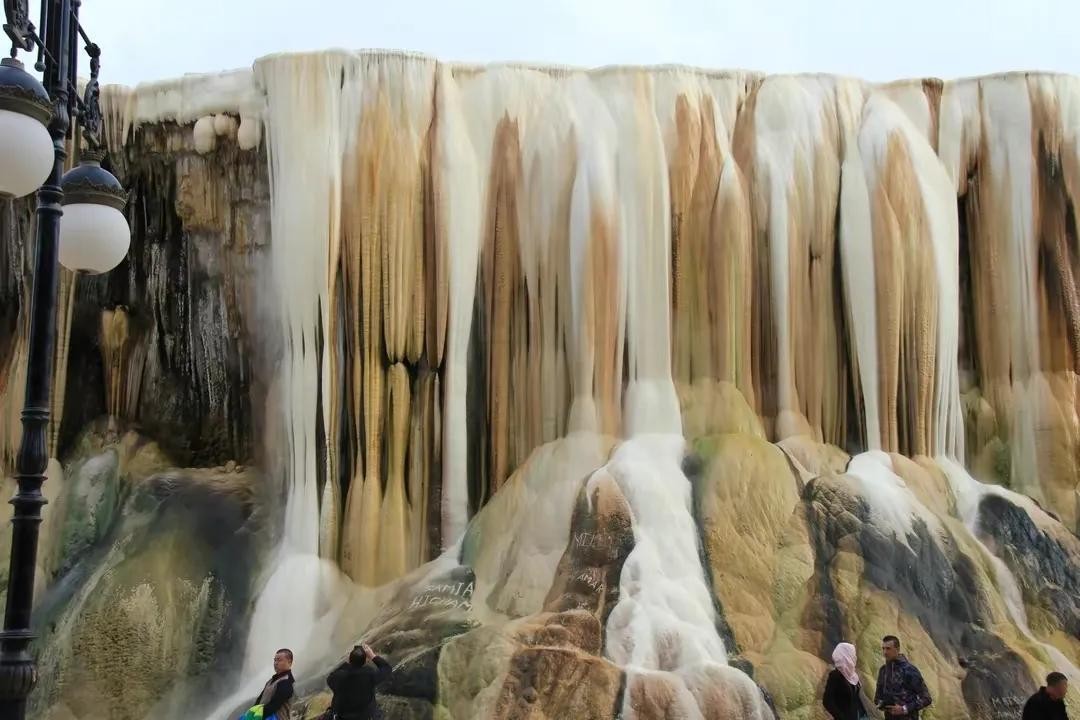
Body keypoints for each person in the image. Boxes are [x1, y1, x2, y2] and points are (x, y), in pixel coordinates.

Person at [323, 642, 393, 720]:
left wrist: (345, 664)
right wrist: (372, 656)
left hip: (342, 717)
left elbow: (330, 678)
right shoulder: (370, 675)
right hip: (365, 717)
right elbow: (387, 668)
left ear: (349, 659)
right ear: (365, 661)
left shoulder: (339, 676)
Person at [874, 635, 932, 718]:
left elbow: (926, 698)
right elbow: (877, 698)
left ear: (897, 649)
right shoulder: (883, 670)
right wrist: (882, 704)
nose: (885, 652)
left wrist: (904, 709)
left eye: (888, 649)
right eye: (883, 648)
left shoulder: (910, 670)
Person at [243, 648, 295, 720]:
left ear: (289, 662)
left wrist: (256, 716)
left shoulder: (286, 682)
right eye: (275, 660)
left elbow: (274, 705)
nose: (276, 663)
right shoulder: (271, 681)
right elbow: (259, 699)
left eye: (279, 660)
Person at [823, 642, 869, 719]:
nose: (855, 657)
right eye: (852, 654)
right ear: (845, 656)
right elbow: (827, 701)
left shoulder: (853, 676)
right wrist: (840, 717)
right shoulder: (835, 675)